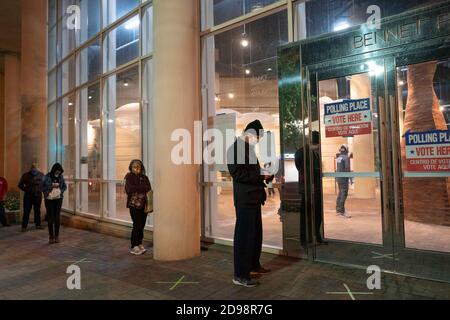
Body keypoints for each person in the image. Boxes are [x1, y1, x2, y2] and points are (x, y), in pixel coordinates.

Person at [227, 120, 273, 288]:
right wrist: (261, 177)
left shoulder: (248, 149)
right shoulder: (235, 149)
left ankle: (253, 265)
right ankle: (240, 274)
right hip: (245, 200)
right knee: (244, 238)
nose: (258, 140)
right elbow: (238, 174)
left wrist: (266, 174)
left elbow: (252, 172)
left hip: (253, 198)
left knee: (255, 236)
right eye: (258, 137)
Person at [124, 160, 152, 256]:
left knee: (142, 225)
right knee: (137, 224)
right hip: (134, 205)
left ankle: (139, 243)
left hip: (144, 204)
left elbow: (148, 188)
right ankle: (134, 246)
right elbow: (129, 189)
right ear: (131, 167)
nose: (136, 168)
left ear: (141, 167)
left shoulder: (145, 177)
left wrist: (138, 188)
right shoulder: (129, 177)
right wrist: (141, 187)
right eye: (134, 166)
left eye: (138, 166)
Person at [42, 163, 67, 244]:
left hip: (58, 198)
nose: (58, 173)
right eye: (57, 171)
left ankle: (56, 236)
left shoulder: (61, 177)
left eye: (59, 171)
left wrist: (60, 191)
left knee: (57, 217)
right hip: (49, 199)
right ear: (54, 170)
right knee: (50, 217)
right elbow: (41, 186)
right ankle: (51, 236)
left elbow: (64, 186)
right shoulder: (47, 176)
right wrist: (47, 192)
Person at [18, 164, 45, 231]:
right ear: (31, 168)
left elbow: (45, 184)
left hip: (38, 196)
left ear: (38, 168)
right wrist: (27, 190)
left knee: (37, 211)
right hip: (28, 196)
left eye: (35, 168)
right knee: (26, 211)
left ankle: (38, 225)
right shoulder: (26, 175)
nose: (34, 169)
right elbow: (20, 185)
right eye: (33, 168)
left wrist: (40, 190)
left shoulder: (41, 175)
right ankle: (24, 226)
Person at [336, 145, 351, 218]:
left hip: (339, 178)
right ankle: (341, 211)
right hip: (344, 179)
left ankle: (338, 210)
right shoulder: (346, 158)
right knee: (344, 194)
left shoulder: (339, 157)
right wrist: (350, 177)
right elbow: (347, 168)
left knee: (340, 194)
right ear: (346, 150)